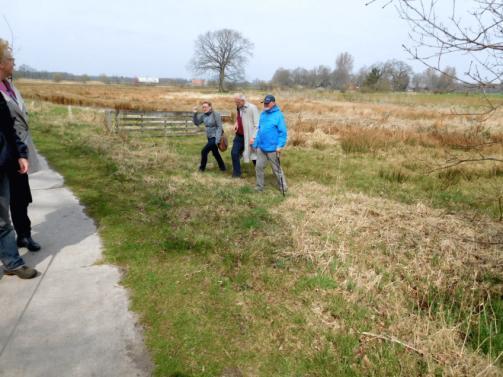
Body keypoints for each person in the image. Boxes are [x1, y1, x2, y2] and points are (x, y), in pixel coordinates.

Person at [0, 39, 42, 252]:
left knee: (21, 196)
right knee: (3, 201)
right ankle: (7, 248)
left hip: (19, 149)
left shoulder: (9, 85)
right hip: (6, 151)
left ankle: (24, 235)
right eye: (10, 58)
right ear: (1, 63)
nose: (14, 62)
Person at [0, 88, 38, 278]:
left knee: (4, 219)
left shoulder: (3, 93)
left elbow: (8, 128)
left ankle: (12, 262)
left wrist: (21, 153)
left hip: (4, 161)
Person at [252, 95, 288, 193]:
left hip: (273, 148)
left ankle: (283, 187)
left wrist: (280, 146)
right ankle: (259, 187)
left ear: (273, 103)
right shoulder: (263, 114)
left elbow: (283, 133)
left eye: (267, 103)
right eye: (264, 103)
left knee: (276, 169)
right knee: (258, 167)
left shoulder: (278, 115)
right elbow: (260, 130)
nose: (265, 104)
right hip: (261, 147)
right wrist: (255, 143)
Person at [192, 101, 226, 172]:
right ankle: (222, 167)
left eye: (205, 107)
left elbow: (219, 127)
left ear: (210, 107)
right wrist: (195, 113)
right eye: (203, 107)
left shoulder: (216, 114)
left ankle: (202, 168)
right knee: (215, 153)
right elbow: (197, 123)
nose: (204, 108)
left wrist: (217, 139)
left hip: (215, 136)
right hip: (209, 136)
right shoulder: (203, 115)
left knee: (204, 151)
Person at [231, 94, 259, 178]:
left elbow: (257, 125)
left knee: (254, 156)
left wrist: (253, 137)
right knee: (234, 153)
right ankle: (237, 173)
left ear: (243, 101)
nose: (236, 104)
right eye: (235, 102)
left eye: (238, 102)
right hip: (239, 135)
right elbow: (239, 117)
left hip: (250, 137)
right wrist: (236, 123)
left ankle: (259, 174)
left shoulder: (252, 108)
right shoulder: (239, 107)